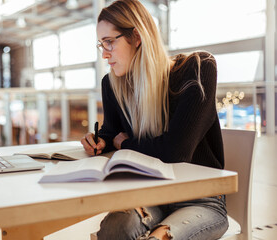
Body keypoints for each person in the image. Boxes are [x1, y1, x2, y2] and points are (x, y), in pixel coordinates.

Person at [81, 0, 228, 239]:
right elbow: (111, 132)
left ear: (136, 36)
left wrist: (124, 144)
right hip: (149, 193)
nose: (104, 54)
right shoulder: (112, 84)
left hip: (199, 199)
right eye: (101, 44)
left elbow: (176, 152)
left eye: (109, 42)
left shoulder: (198, 68)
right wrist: (100, 141)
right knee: (114, 230)